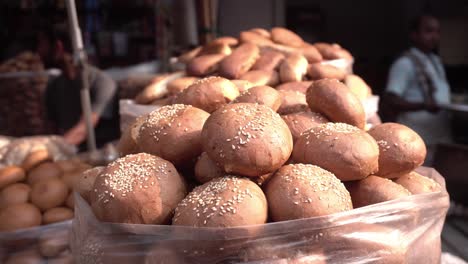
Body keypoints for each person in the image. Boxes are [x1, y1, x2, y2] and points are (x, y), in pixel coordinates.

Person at [384, 14, 451, 165]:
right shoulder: (405, 63)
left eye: (437, 32)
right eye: (428, 31)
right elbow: (391, 99)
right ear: (414, 35)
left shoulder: (435, 60)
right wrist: (423, 105)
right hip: (417, 139)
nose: (434, 36)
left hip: (439, 135)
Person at [37, 28, 119, 150]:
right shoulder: (54, 86)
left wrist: (50, 150)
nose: (38, 51)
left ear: (58, 47)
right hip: (68, 154)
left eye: (42, 45)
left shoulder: (101, 82)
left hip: (99, 157)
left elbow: (84, 129)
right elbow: (51, 129)